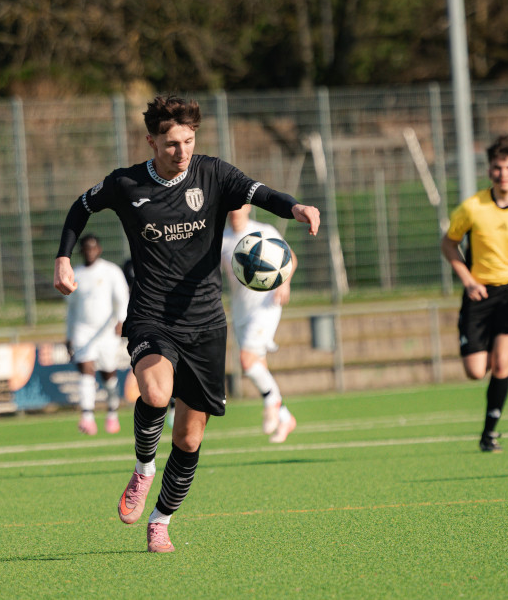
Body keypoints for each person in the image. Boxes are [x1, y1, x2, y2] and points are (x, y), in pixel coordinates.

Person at [53, 95, 320, 553]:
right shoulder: (126, 183)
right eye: (172, 143)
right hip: (151, 314)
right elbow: (81, 207)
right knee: (156, 394)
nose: (182, 152)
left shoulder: (213, 173)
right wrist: (62, 258)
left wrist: (295, 208)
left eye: (189, 141)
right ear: (152, 141)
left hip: (205, 323)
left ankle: (162, 520)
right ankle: (142, 470)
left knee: (190, 437)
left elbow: (261, 193)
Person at [440, 134, 508, 453]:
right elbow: (448, 243)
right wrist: (468, 280)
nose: (504, 174)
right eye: (498, 168)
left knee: (502, 362)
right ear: (490, 172)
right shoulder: (472, 208)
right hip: (479, 294)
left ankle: (489, 433)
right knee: (476, 371)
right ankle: (483, 346)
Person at [220, 204, 297, 443]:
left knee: (246, 360)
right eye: (229, 205)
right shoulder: (221, 240)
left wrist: (284, 283)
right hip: (241, 311)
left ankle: (271, 402)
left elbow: (290, 257)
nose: (234, 210)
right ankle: (285, 417)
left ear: (248, 207)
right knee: (258, 366)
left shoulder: (263, 232)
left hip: (266, 305)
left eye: (238, 205)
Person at [63, 234, 129, 436]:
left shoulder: (111, 271)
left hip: (106, 331)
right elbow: (71, 309)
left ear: (99, 249)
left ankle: (112, 412)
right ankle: (87, 418)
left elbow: (122, 297)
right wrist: (69, 335)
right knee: (86, 369)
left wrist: (121, 319)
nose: (90, 251)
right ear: (82, 251)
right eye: (86, 248)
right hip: (83, 331)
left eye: (93, 248)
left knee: (108, 373)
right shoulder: (76, 274)